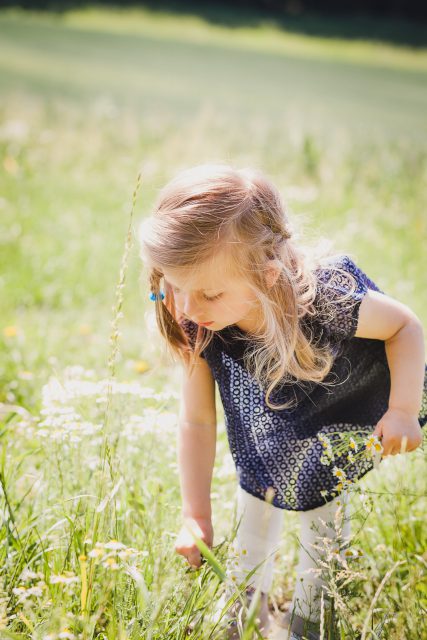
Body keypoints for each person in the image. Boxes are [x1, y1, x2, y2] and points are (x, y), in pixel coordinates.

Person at [138, 163, 427, 639]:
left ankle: (316, 623)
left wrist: (401, 409)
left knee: (325, 533)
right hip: (264, 453)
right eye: (175, 287)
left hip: (335, 433)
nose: (188, 309)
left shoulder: (329, 299)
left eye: (208, 293)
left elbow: (404, 326)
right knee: (251, 530)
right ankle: (244, 623)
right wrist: (195, 515)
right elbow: (196, 420)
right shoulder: (197, 323)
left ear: (269, 276)